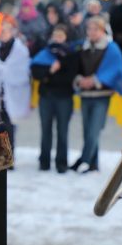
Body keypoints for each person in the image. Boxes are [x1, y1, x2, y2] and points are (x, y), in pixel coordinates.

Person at [72, 16, 122, 173]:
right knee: (87, 130)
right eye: (89, 29)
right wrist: (80, 79)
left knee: (94, 130)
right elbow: (75, 66)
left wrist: (96, 80)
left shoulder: (111, 47)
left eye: (95, 29)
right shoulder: (82, 47)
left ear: (102, 30)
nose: (92, 32)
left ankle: (83, 159)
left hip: (101, 95)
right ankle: (93, 163)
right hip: (85, 95)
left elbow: (115, 69)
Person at [30, 25, 79, 173]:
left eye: (60, 35)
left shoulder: (71, 55)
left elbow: (69, 77)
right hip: (46, 97)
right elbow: (36, 72)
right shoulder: (44, 53)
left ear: (66, 37)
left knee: (62, 131)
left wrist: (49, 77)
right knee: (46, 130)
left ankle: (61, 163)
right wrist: (50, 71)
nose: (57, 38)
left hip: (64, 98)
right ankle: (44, 161)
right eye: (55, 35)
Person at [0, 17, 31, 156]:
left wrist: (5, 72)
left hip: (13, 93)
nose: (3, 33)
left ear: (12, 31)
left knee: (9, 126)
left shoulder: (20, 49)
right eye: (1, 31)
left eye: (6, 31)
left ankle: (10, 155)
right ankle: (0, 155)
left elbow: (22, 71)